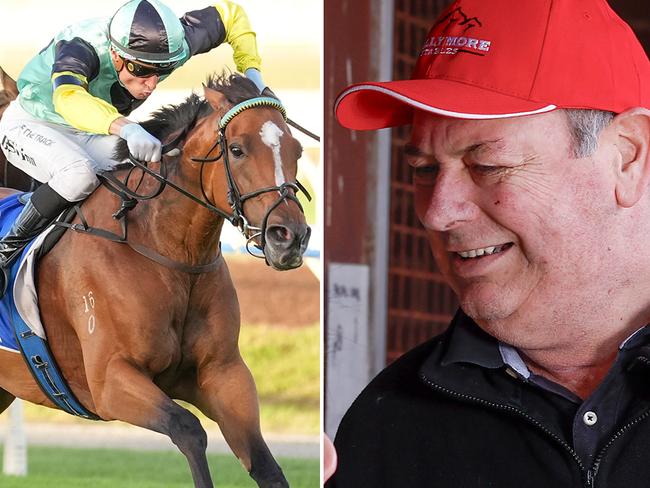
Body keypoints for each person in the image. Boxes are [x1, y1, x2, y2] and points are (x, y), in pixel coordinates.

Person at [328, 0, 650, 486]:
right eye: (424, 170)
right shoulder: (387, 427)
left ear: (627, 158)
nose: (437, 212)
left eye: (488, 165)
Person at [0, 0, 270, 294]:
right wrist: (125, 127)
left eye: (161, 71)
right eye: (142, 71)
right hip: (31, 124)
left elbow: (230, 15)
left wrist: (252, 71)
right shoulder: (81, 47)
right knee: (78, 176)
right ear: (116, 55)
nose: (151, 84)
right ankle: (4, 254)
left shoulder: (169, 44)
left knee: (149, 172)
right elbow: (68, 97)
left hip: (91, 127)